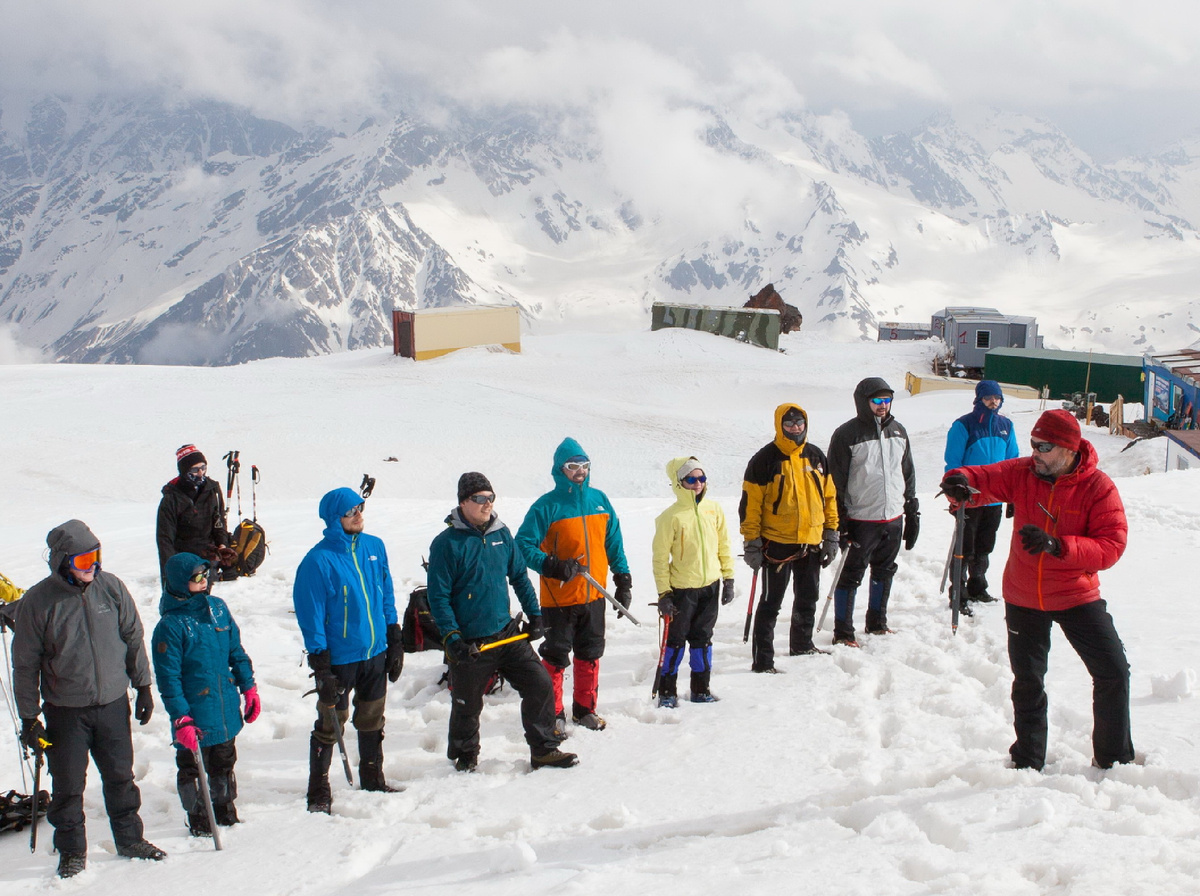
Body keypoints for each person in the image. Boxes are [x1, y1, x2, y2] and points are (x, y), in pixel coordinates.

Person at [940, 409, 1133, 771]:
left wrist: (1058, 546)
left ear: (1068, 449)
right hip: (1024, 595)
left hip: (1076, 594)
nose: (1036, 453)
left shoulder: (1099, 487)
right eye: (1033, 444)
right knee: (1028, 681)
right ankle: (1027, 760)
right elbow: (983, 478)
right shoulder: (1025, 472)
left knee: (1113, 672)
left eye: (1043, 446)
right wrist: (958, 481)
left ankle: (1113, 758)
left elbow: (1112, 546)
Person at [12, 520, 165, 878]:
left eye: (95, 557)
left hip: (112, 704)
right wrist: (29, 717)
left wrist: (142, 685)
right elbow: (24, 665)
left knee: (120, 776)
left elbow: (133, 636)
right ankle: (72, 851)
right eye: (83, 561)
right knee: (67, 785)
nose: (92, 567)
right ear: (63, 561)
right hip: (65, 711)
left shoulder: (110, 588)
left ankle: (129, 839)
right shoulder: (38, 601)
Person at [427, 472, 578, 771]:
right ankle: (464, 756)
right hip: (471, 641)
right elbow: (439, 597)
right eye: (479, 499)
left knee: (540, 684)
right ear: (462, 502)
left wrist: (534, 614)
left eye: (491, 497)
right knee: (467, 704)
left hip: (506, 634)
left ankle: (544, 749)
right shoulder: (447, 544)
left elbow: (519, 576)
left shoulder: (501, 533)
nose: (487, 504)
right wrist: (452, 638)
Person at [292, 487, 404, 813]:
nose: (358, 515)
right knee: (330, 724)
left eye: (360, 508)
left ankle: (373, 778)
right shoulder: (318, 560)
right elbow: (310, 614)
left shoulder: (374, 547)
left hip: (375, 652)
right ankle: (318, 791)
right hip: (340, 659)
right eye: (350, 511)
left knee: (372, 718)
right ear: (334, 519)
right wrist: (321, 665)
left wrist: (394, 638)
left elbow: (385, 593)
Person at [516, 438, 632, 735]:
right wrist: (553, 565)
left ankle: (585, 710)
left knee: (590, 653)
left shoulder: (600, 500)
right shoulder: (547, 506)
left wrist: (623, 578)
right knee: (555, 657)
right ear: (560, 469)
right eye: (572, 466)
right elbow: (523, 546)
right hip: (559, 598)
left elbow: (613, 542)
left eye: (584, 465)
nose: (579, 471)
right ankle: (553, 713)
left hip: (594, 594)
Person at [151, 552, 259, 836]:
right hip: (194, 713)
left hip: (223, 706)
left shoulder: (219, 609)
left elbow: (236, 651)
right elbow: (168, 679)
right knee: (193, 767)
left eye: (205, 575)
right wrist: (181, 719)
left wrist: (248, 687)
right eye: (196, 578)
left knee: (224, 760)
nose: (204, 581)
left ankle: (224, 808)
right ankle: (199, 817)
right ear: (178, 582)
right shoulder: (170, 626)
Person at [739, 406, 840, 671]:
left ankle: (802, 645)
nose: (795, 428)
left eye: (799, 422)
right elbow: (750, 505)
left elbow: (829, 497)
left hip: (812, 540)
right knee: (771, 602)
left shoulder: (816, 456)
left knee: (808, 597)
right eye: (789, 423)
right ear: (779, 425)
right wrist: (752, 542)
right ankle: (763, 661)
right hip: (776, 543)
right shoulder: (765, 460)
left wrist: (831, 533)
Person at [827, 377, 919, 647]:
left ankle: (877, 623)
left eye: (887, 400)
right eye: (877, 400)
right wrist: (840, 519)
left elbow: (907, 471)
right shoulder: (847, 434)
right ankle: (843, 632)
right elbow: (836, 480)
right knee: (852, 573)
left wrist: (911, 508)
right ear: (864, 402)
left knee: (885, 570)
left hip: (892, 516)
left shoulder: (899, 431)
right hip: (861, 517)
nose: (883, 405)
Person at [653, 457, 736, 704]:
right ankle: (667, 693)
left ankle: (701, 690)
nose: (697, 483)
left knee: (702, 640)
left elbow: (723, 544)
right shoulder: (670, 517)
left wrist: (728, 578)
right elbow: (659, 559)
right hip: (682, 590)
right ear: (680, 483)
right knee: (676, 642)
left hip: (710, 586)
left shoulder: (714, 509)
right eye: (691, 479)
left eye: (701, 478)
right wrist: (664, 593)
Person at [943, 380, 1019, 609]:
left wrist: (1013, 494)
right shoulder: (964, 425)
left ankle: (978, 587)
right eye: (988, 398)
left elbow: (1013, 461)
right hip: (970, 497)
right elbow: (953, 462)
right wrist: (955, 488)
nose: (993, 402)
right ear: (979, 399)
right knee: (964, 548)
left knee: (985, 546)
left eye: (997, 398)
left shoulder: (1006, 425)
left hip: (994, 497)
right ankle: (959, 593)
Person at [156, 444, 235, 583]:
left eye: (203, 467)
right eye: (195, 469)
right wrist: (171, 570)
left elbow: (219, 523)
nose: (200, 473)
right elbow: (165, 540)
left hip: (208, 558)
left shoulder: (213, 490)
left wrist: (222, 546)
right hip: (183, 559)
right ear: (184, 470)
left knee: (202, 598)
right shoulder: (172, 498)